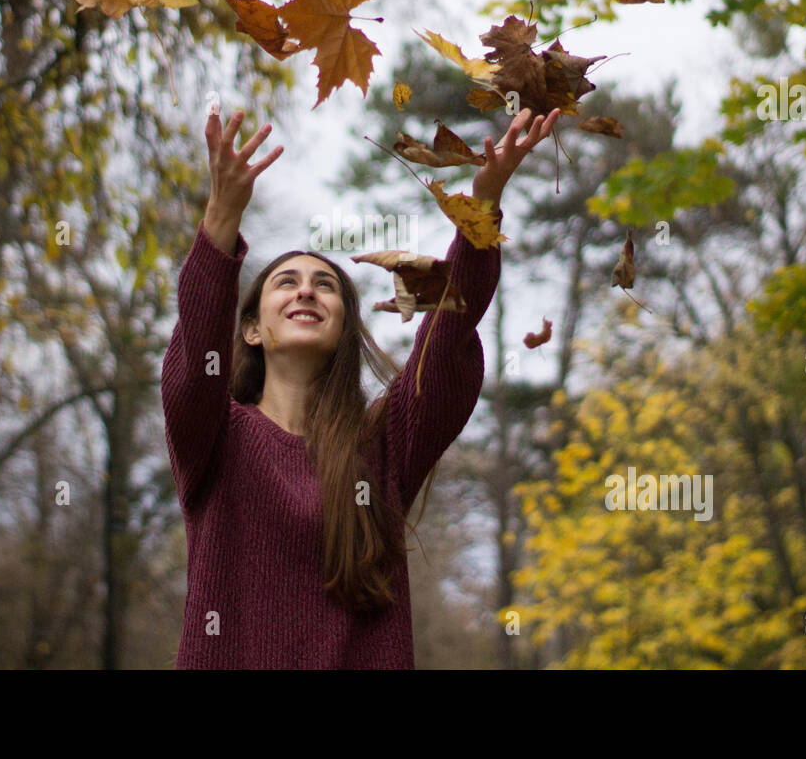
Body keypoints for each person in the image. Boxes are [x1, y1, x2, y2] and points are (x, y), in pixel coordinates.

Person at [161, 104, 559, 668]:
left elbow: (445, 340)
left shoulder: (380, 446)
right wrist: (221, 219)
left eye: (325, 286)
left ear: (344, 325)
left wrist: (482, 206)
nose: (305, 292)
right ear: (251, 328)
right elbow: (192, 360)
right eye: (286, 283)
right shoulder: (213, 440)